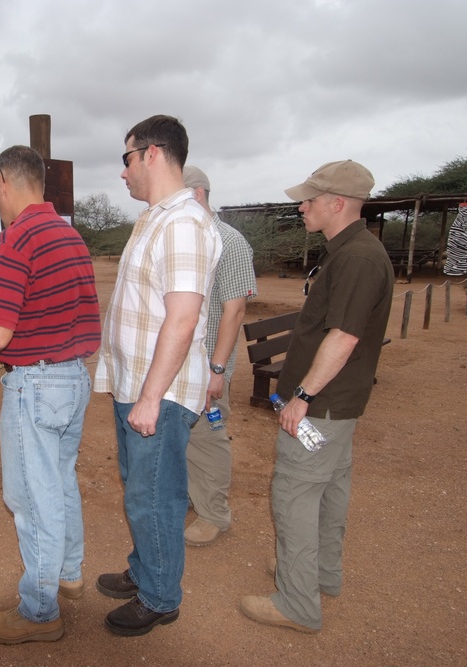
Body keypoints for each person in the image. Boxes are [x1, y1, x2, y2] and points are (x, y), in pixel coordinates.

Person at [240, 160, 394, 633]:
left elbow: (344, 338)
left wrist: (302, 394)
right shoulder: (350, 251)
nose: (301, 206)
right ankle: (319, 575)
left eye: (309, 199)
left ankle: (297, 604)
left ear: (338, 203)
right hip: (336, 406)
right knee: (328, 491)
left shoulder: (357, 258)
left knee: (295, 495)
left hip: (321, 406)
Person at [0, 145, 101, 645]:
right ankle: (68, 572)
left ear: (2, 181)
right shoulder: (69, 235)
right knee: (59, 481)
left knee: (31, 498)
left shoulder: (15, 239)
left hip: (37, 386)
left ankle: (40, 612)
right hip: (73, 378)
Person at [93, 115, 222, 636]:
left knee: (154, 494)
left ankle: (161, 595)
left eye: (125, 159)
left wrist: (150, 397)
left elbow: (184, 317)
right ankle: (149, 568)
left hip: (158, 394)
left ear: (151, 153)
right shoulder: (156, 217)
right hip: (139, 388)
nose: (122, 173)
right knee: (139, 487)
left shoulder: (184, 223)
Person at [181, 166, 257, 547]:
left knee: (207, 438)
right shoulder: (188, 239)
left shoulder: (230, 242)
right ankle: (192, 500)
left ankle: (214, 514)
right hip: (179, 365)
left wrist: (217, 369)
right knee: (182, 439)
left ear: (196, 195)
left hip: (209, 365)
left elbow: (235, 311)